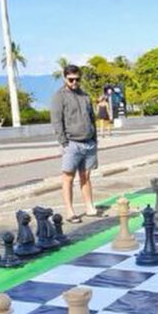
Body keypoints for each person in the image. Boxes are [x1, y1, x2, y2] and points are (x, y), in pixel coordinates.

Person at [51, 65, 98, 223]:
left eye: (77, 79)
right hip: (72, 143)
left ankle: (90, 206)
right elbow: (57, 120)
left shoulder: (85, 96)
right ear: (65, 78)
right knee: (68, 178)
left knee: (86, 176)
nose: (74, 82)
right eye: (71, 80)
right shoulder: (59, 96)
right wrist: (63, 141)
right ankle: (70, 211)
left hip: (89, 142)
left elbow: (92, 118)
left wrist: (94, 138)